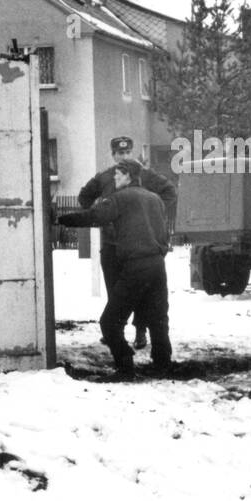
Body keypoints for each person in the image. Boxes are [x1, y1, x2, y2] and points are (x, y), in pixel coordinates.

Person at [57, 159, 172, 376]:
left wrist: (63, 219)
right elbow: (164, 234)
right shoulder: (155, 199)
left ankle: (125, 363)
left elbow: (94, 216)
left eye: (118, 175)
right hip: (157, 266)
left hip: (135, 266)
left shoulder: (120, 198)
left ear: (128, 176)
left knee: (109, 322)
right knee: (158, 319)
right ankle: (162, 363)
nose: (115, 178)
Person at [78, 136, 176, 349]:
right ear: (113, 155)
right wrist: (100, 214)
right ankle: (115, 331)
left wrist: (153, 213)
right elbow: (84, 197)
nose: (123, 156)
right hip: (112, 245)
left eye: (127, 152)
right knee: (115, 291)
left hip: (138, 246)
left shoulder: (145, 175)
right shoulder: (105, 177)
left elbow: (169, 191)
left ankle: (141, 331)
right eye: (119, 153)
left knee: (143, 292)